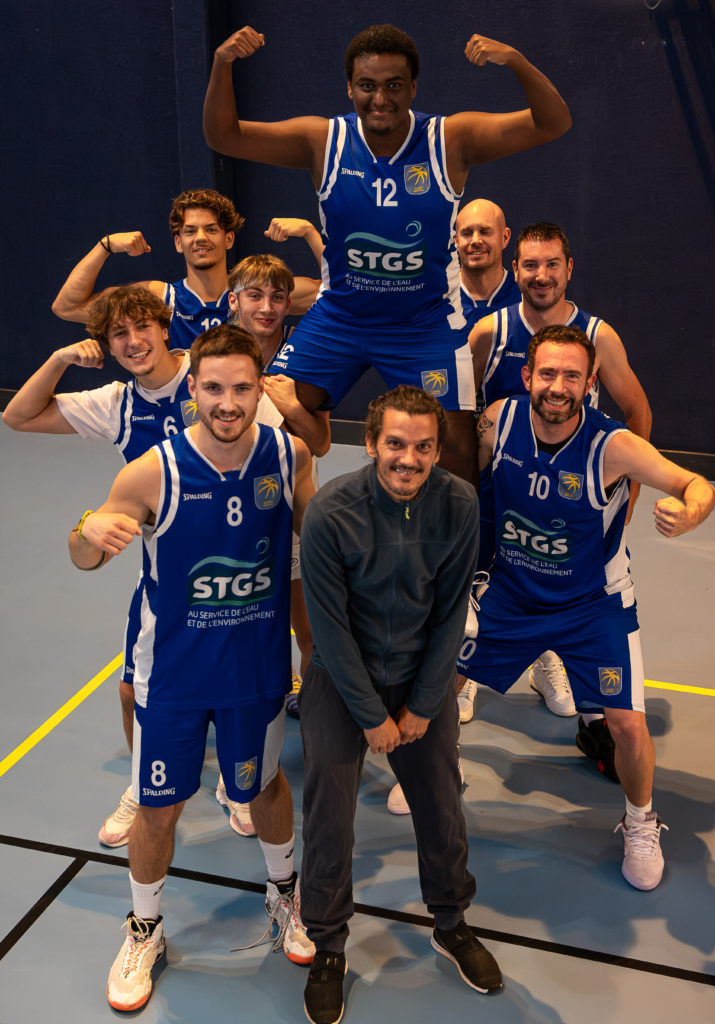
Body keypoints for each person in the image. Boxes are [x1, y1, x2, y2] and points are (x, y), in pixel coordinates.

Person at [203, 23, 572, 485]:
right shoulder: (324, 141)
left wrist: (515, 60)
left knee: (457, 454)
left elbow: (553, 122)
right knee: (262, 423)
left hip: (422, 324)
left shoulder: (449, 139)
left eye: (394, 85)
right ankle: (287, 526)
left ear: (413, 87)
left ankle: (460, 536)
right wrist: (222, 62)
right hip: (340, 318)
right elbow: (224, 136)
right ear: (350, 88)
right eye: (367, 85)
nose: (380, 98)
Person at [68, 325, 316, 1012]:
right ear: (193, 390)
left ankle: (284, 894)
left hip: (255, 669)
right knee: (158, 807)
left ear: (260, 388)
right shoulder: (151, 471)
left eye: (241, 387)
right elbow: (85, 557)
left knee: (264, 786)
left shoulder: (289, 455)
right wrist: (85, 531)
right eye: (212, 388)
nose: (227, 402)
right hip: (172, 673)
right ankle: (144, 929)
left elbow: (319, 544)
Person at [3, 285, 284, 847]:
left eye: (142, 327)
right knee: (132, 692)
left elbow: (280, 455)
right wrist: (59, 358)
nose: (133, 342)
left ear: (165, 326)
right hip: (170, 570)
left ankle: (238, 783)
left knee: (238, 692)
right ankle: (142, 782)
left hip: (242, 566)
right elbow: (17, 415)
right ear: (106, 345)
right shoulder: (117, 404)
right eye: (118, 334)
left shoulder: (214, 379)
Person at [458, 324, 714, 893]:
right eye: (548, 373)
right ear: (527, 376)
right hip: (513, 592)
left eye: (572, 376)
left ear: (590, 383)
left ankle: (641, 821)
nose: (558, 386)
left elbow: (695, 484)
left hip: (592, 605)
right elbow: (469, 487)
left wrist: (691, 514)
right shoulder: (498, 421)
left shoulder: (613, 445)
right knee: (441, 682)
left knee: (626, 725)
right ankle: (442, 768)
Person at [298, 385, 501, 1024]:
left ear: (438, 450)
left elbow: (451, 612)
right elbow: (327, 628)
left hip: (420, 682)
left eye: (423, 447)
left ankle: (452, 921)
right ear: (370, 443)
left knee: (441, 805)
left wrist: (423, 703)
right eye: (395, 444)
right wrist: (371, 716)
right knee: (330, 815)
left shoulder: (460, 503)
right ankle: (329, 944)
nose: (408, 459)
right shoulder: (331, 510)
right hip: (341, 683)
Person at [463, 222, 652, 736]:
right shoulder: (490, 332)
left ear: (569, 268)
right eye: (531, 265)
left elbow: (637, 410)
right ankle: (469, 674)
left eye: (552, 264)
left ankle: (549, 661)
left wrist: (629, 490)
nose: (541, 275)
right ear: (515, 269)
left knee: (562, 577)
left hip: (572, 491)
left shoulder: (597, 335)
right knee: (486, 580)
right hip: (503, 485)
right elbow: (460, 410)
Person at [51, 189, 244, 345]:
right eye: (190, 231)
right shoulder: (158, 298)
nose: (201, 238)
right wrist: (105, 246)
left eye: (211, 229)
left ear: (228, 239)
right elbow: (67, 308)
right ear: (178, 243)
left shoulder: (251, 296)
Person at [455, 198, 520, 330]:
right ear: (456, 241)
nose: (475, 240)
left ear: (505, 237)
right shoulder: (437, 297)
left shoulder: (526, 295)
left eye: (485, 232)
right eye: (467, 233)